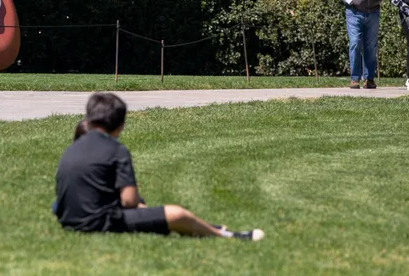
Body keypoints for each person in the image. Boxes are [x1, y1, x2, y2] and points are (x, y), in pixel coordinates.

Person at [53, 92, 264, 240]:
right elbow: (129, 201)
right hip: (97, 223)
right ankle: (226, 235)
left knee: (150, 211)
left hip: (68, 219)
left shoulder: (71, 149)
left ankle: (208, 227)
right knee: (175, 213)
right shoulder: (116, 150)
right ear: (120, 125)